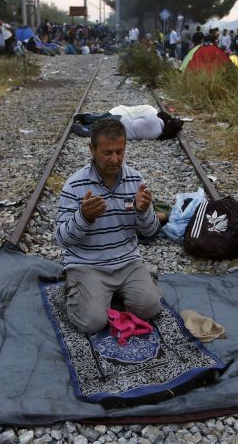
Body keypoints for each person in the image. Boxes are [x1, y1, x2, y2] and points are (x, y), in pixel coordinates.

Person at [55, 119, 162, 334]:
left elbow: (150, 231)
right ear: (92, 149)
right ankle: (78, 288)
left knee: (151, 308)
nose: (115, 159)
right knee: (92, 323)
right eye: (107, 153)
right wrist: (83, 217)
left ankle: (106, 296)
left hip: (127, 262)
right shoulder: (75, 184)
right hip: (88, 265)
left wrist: (143, 212)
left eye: (119, 152)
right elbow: (62, 239)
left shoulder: (135, 180)